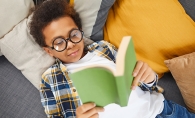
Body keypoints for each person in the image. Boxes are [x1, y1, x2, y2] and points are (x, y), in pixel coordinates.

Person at [29, 0, 195, 118]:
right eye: (58, 42)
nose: (70, 44)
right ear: (49, 51)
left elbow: (143, 84)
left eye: (73, 35)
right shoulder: (49, 80)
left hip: (161, 112)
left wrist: (150, 78)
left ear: (80, 31)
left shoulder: (104, 48)